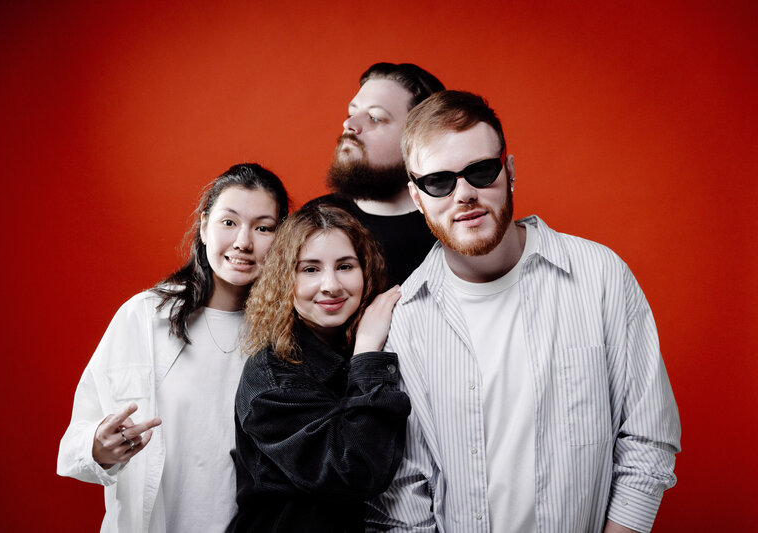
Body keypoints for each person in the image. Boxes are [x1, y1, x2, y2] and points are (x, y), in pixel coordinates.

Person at [366, 91, 681, 533]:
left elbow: (648, 438)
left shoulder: (600, 276)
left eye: (481, 171)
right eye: (439, 182)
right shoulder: (406, 320)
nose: (464, 195)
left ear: (509, 171)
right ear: (417, 196)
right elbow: (405, 491)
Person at [57, 163, 290, 533]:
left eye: (263, 228)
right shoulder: (145, 316)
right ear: (204, 226)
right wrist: (98, 447)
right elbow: (75, 444)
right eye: (229, 222)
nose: (243, 242)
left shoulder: (287, 330)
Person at [226, 203, 411, 532]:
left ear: (366, 270)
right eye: (310, 269)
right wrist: (367, 352)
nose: (331, 285)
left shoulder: (372, 341)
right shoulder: (271, 382)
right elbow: (356, 471)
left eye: (345, 266)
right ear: (285, 278)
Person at [309, 62, 445, 286]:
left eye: (374, 118)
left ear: (420, 139)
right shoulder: (314, 219)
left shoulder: (449, 227)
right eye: (352, 113)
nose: (349, 123)